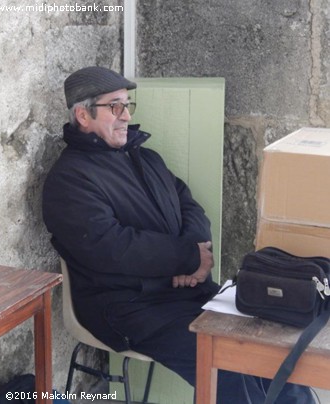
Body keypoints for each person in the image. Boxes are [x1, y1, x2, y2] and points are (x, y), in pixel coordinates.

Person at [41, 66, 315, 403]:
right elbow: (112, 247)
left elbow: (189, 206)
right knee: (226, 364)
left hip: (184, 293)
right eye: (115, 107)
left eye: (128, 105)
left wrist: (197, 258)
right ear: (83, 115)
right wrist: (188, 258)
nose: (126, 116)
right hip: (129, 306)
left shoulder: (146, 158)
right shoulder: (69, 180)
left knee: (273, 343)